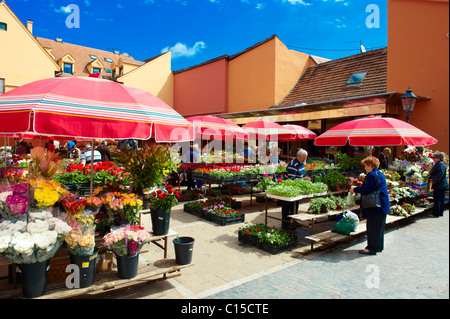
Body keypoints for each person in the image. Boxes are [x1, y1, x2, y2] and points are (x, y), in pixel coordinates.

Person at [351, 156, 390, 255]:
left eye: (365, 165)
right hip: (382, 206)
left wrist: (355, 189)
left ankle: (371, 248)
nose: (364, 168)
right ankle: (378, 247)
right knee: (378, 229)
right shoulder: (378, 173)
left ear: (370, 165)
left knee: (373, 228)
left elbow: (366, 189)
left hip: (376, 206)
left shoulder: (372, 174)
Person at [281, 149, 310, 229]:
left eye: (305, 158)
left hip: (296, 188)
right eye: (303, 158)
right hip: (289, 188)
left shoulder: (302, 163)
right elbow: (291, 179)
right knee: (287, 206)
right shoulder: (293, 164)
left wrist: (305, 178)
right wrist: (302, 180)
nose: (304, 160)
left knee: (295, 205)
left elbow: (302, 175)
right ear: (298, 157)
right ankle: (285, 223)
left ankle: (293, 220)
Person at [429, 152, 449, 218]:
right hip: (441, 184)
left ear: (438, 158)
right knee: (441, 199)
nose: (433, 159)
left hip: (440, 185)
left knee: (437, 199)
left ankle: (436, 213)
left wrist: (434, 180)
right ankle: (440, 213)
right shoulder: (440, 164)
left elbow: (440, 174)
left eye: (434, 157)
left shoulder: (440, 164)